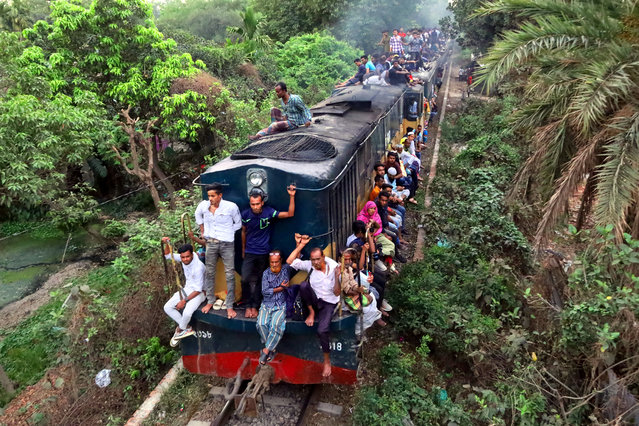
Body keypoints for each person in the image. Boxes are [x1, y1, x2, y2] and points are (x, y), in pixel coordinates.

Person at [286, 235, 340, 377]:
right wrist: (300, 246)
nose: (315, 262)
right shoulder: (310, 266)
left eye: (318, 259)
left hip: (329, 303)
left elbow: (337, 292)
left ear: (323, 257)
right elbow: (290, 261)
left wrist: (337, 277)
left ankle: (326, 361)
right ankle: (311, 313)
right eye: (313, 259)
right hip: (315, 302)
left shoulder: (334, 267)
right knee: (303, 285)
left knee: (322, 331)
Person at [241, 185, 296, 318]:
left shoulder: (268, 212)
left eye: (257, 204)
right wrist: (243, 250)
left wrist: (292, 196)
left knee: (261, 279)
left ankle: (255, 306)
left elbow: (290, 214)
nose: (255, 207)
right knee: (244, 279)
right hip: (250, 251)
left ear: (262, 202)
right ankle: (248, 305)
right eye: (252, 204)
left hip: (264, 252)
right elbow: (243, 232)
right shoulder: (245, 214)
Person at [195, 183, 242, 319]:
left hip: (227, 244)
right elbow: (197, 215)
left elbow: (238, 224)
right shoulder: (203, 206)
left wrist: (225, 233)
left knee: (230, 274)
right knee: (209, 273)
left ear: (220, 195)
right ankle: (210, 301)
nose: (210, 198)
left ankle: (229, 305)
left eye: (213, 196)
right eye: (209, 195)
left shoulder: (231, 207)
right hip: (211, 243)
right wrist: (203, 230)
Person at [162, 238, 206, 345]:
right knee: (167, 307)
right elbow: (167, 255)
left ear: (192, 255)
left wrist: (184, 301)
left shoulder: (198, 267)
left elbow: (198, 289)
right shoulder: (183, 258)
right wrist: (166, 243)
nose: (185, 259)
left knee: (187, 312)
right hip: (187, 289)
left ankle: (179, 330)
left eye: (187, 257)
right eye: (183, 257)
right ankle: (186, 328)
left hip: (201, 292)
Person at [256, 250, 291, 364]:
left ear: (281, 261)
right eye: (272, 262)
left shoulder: (285, 270)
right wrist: (280, 288)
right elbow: (265, 292)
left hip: (280, 304)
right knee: (261, 324)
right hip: (266, 304)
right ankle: (272, 349)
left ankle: (266, 350)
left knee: (276, 325)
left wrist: (299, 244)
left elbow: (295, 258)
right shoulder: (266, 273)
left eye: (276, 262)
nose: (274, 264)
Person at [339, 248, 385, 334]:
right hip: (344, 297)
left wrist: (359, 288)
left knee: (371, 296)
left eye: (349, 259)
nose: (348, 261)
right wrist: (359, 292)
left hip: (352, 291)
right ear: (340, 259)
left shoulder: (348, 268)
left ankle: (374, 319)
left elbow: (352, 282)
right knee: (368, 309)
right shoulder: (341, 272)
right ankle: (357, 332)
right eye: (345, 259)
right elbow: (347, 291)